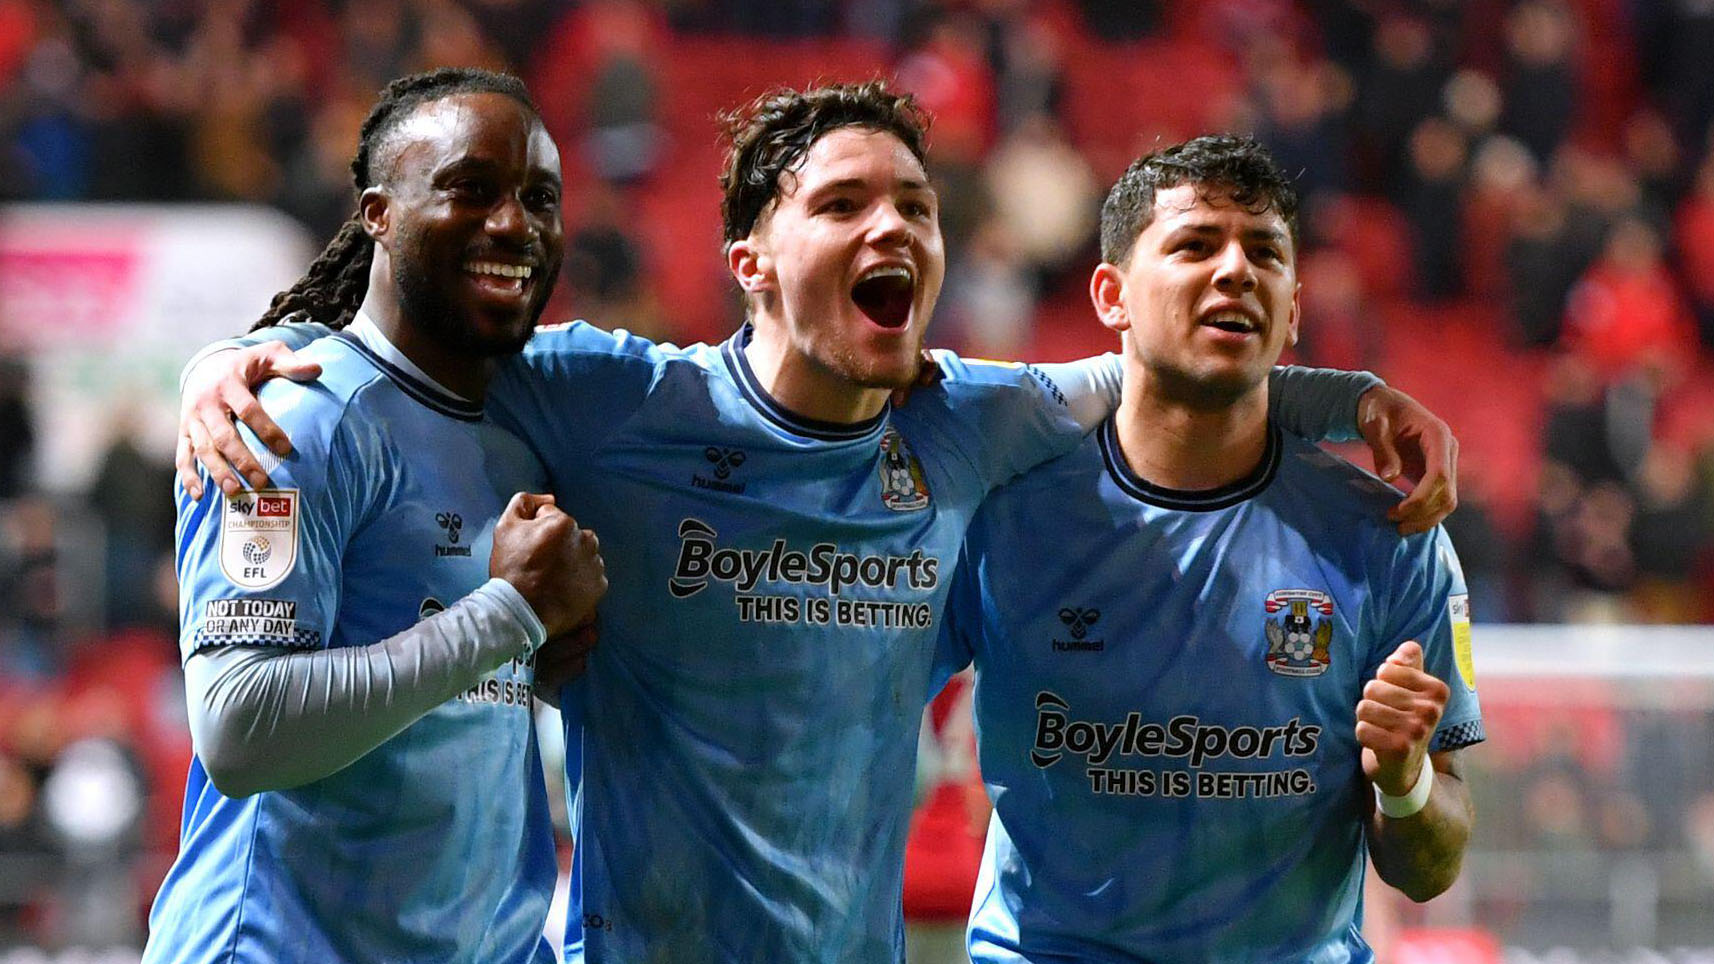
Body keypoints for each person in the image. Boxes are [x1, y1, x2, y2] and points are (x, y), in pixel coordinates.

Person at [175, 83, 1458, 962]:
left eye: (915, 205)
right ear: (751, 261)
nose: (890, 225)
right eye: (841, 205)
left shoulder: (965, 423)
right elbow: (405, 343)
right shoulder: (617, 402)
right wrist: (240, 356)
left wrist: (1352, 397)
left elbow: (1160, 368)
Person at [935, 135, 1483, 962]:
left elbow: (1432, 867)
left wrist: (1404, 785)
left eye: (1265, 253)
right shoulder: (1001, 518)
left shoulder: (1394, 539)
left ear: (1292, 310)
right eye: (1195, 245)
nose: (1236, 271)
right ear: (1111, 295)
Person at [144, 69, 608, 964]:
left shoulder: (524, 423)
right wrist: (507, 617)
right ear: (378, 215)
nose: (513, 224)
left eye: (538, 198)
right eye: (470, 189)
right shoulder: (290, 421)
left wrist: (528, 659)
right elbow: (240, 727)